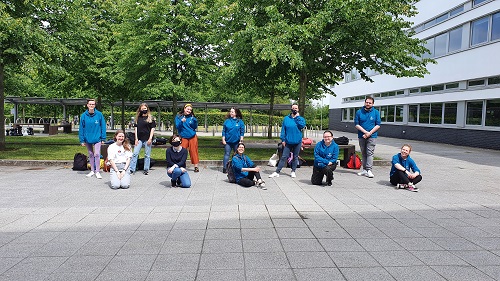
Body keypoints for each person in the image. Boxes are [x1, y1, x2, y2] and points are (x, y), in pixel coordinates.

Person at [269, 103, 306, 178]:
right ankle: (277, 171)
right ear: (291, 109)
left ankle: (293, 171)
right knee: (284, 157)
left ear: (298, 109)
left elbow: (302, 126)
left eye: (296, 108)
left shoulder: (301, 119)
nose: (294, 109)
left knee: (295, 157)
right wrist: (283, 140)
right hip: (288, 141)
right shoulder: (286, 118)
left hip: (297, 141)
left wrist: (297, 117)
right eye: (293, 108)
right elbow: (283, 130)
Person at [79, 99, 107, 179]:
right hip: (87, 138)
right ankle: (92, 170)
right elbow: (81, 128)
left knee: (97, 154)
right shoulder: (83, 116)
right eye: (90, 104)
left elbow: (103, 127)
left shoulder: (99, 115)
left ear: (95, 105)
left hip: (97, 138)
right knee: (91, 154)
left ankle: (97, 171)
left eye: (93, 104)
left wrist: (103, 138)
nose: (91, 106)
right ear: (87, 105)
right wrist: (82, 140)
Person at [354, 96, 381, 178]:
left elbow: (378, 125)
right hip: (361, 135)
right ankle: (364, 170)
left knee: (370, 153)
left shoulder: (376, 112)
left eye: (370, 103)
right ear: (364, 102)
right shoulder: (359, 112)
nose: (368, 104)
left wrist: (369, 133)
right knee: (363, 153)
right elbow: (356, 124)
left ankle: (369, 170)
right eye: (367, 102)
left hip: (372, 136)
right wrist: (365, 132)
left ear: (372, 104)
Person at [129, 103, 156, 175]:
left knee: (147, 155)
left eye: (145, 109)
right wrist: (136, 139)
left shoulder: (150, 118)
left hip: (147, 138)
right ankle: (132, 169)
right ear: (140, 110)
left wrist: (150, 138)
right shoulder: (138, 118)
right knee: (135, 153)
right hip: (139, 139)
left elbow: (152, 129)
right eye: (142, 109)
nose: (144, 110)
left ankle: (146, 169)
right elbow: (136, 128)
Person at [175, 104, 200, 172]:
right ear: (184, 108)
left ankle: (196, 166)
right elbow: (177, 127)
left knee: (193, 151)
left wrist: (194, 121)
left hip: (192, 136)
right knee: (182, 151)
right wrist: (181, 122)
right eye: (188, 109)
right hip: (183, 137)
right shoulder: (178, 117)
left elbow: (194, 127)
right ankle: (181, 165)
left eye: (190, 110)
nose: (189, 111)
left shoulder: (192, 117)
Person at [222, 107, 245, 173]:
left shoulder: (240, 122)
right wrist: (223, 139)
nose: (230, 113)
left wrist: (241, 140)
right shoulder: (227, 121)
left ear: (236, 113)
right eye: (230, 111)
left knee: (237, 155)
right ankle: (225, 168)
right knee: (227, 154)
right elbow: (224, 131)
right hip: (228, 141)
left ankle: (237, 167)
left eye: (232, 112)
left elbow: (242, 132)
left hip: (236, 141)